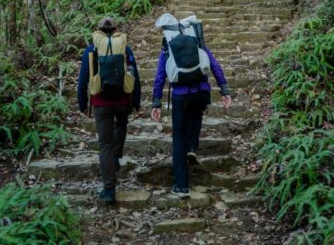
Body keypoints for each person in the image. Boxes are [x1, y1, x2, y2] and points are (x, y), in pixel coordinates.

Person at [150, 44, 231, 197]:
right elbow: (214, 65)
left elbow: (160, 75)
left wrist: (156, 102)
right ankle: (192, 147)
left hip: (180, 94)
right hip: (200, 92)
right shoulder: (197, 42)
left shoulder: (168, 45)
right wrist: (224, 89)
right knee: (196, 117)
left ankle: (181, 187)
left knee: (178, 138)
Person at [77, 17, 141, 204]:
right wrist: (136, 101)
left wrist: (82, 103)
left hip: (101, 101)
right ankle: (116, 156)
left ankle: (109, 189)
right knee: (121, 125)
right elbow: (133, 74)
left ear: (98, 31)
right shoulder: (125, 48)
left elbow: (83, 78)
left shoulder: (91, 50)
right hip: (122, 100)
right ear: (116, 29)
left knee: (105, 145)